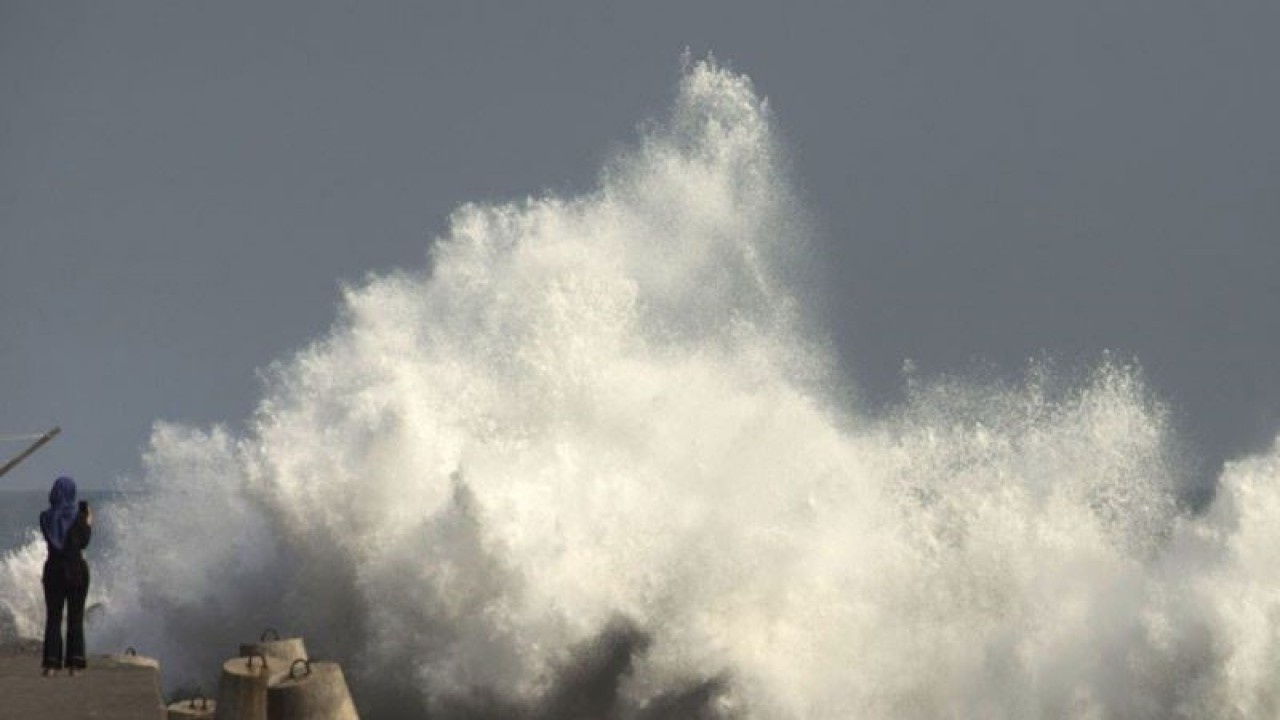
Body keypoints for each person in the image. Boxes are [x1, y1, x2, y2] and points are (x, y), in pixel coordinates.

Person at [38, 476, 92, 676]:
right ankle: (74, 664)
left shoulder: (45, 517)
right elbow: (84, 542)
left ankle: (51, 664)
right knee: (75, 618)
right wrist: (88, 521)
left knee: (53, 617)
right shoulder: (80, 516)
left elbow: (51, 535)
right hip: (77, 570)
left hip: (53, 569)